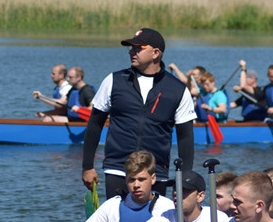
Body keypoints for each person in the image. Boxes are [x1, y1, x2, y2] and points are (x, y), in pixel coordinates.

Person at [82, 28, 196, 200]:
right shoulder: (114, 80)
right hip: (117, 169)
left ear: (156, 53)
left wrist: (185, 177)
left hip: (156, 172)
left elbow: (185, 137)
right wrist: (87, 166)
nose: (132, 52)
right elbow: (95, 124)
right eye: (130, 48)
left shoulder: (177, 90)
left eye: (138, 48)